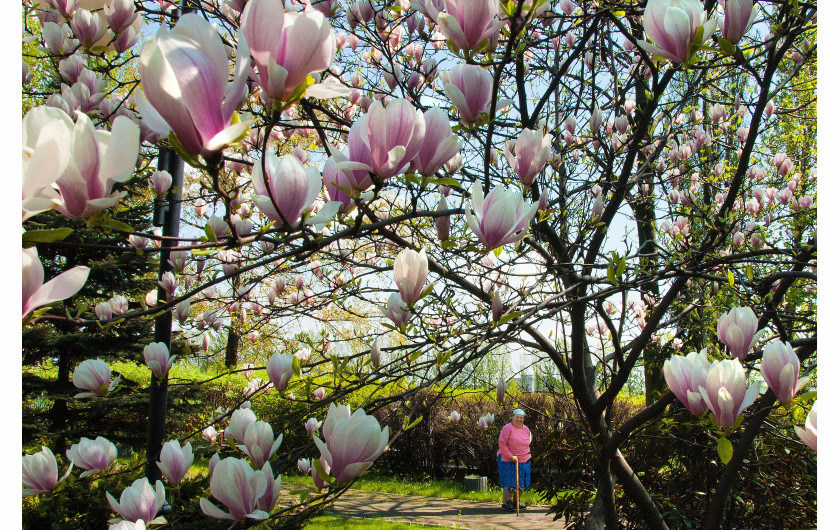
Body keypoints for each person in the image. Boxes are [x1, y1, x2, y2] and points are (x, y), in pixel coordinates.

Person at [497, 408, 532, 512]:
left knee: (522, 482)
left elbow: (529, 441)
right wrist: (510, 456)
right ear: (513, 417)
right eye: (517, 417)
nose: (519, 419)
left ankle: (516, 502)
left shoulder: (526, 429)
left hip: (524, 459)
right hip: (508, 459)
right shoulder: (507, 428)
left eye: (521, 418)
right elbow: (502, 443)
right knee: (510, 481)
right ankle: (507, 502)